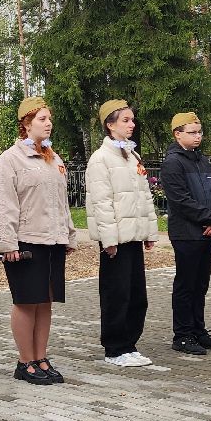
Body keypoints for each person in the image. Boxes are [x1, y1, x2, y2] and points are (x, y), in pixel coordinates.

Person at [0, 97, 76, 386]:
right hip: (26, 242)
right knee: (27, 302)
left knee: (46, 301)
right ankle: (24, 361)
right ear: (26, 124)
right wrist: (8, 244)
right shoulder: (9, 160)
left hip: (52, 240)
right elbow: (4, 205)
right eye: (41, 118)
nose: (48, 123)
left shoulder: (54, 158)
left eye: (49, 118)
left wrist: (68, 234)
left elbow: (62, 203)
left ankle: (41, 357)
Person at [85, 101, 159, 367]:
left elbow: (144, 197)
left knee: (137, 294)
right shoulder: (101, 159)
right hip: (116, 239)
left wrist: (149, 231)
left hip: (134, 236)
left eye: (132, 120)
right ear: (110, 124)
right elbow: (101, 203)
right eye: (125, 120)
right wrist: (109, 239)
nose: (132, 124)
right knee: (117, 293)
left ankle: (130, 343)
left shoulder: (133, 157)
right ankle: (115, 347)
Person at [159, 112, 211, 356]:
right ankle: (183, 334)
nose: (197, 136)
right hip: (187, 233)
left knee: (201, 285)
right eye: (192, 132)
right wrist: (210, 219)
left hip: (207, 231)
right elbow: (181, 201)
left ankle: (199, 330)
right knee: (186, 285)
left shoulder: (201, 160)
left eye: (199, 132)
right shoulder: (173, 163)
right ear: (177, 134)